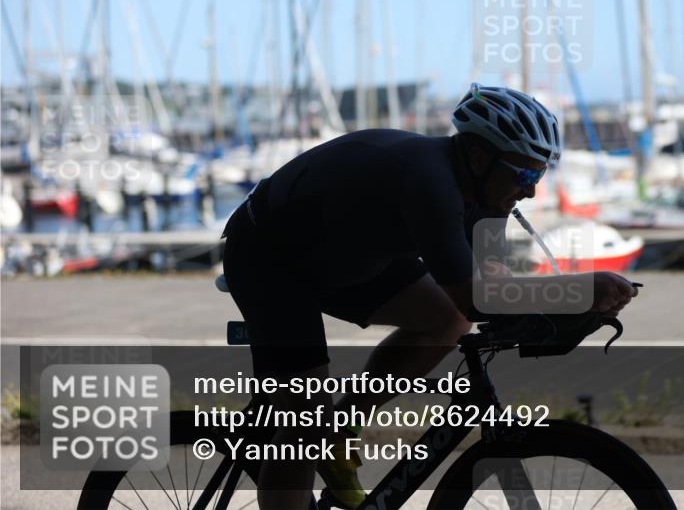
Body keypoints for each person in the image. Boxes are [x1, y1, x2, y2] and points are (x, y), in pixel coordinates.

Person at [221, 83, 638, 509]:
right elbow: (475, 296)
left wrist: (560, 311)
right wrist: (578, 290)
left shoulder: (488, 194)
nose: (531, 190)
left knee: (447, 322)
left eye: (539, 175)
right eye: (525, 175)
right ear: (479, 156)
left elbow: (493, 283)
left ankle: (341, 429)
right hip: (270, 259)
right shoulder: (429, 180)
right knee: (306, 420)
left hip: (347, 255)